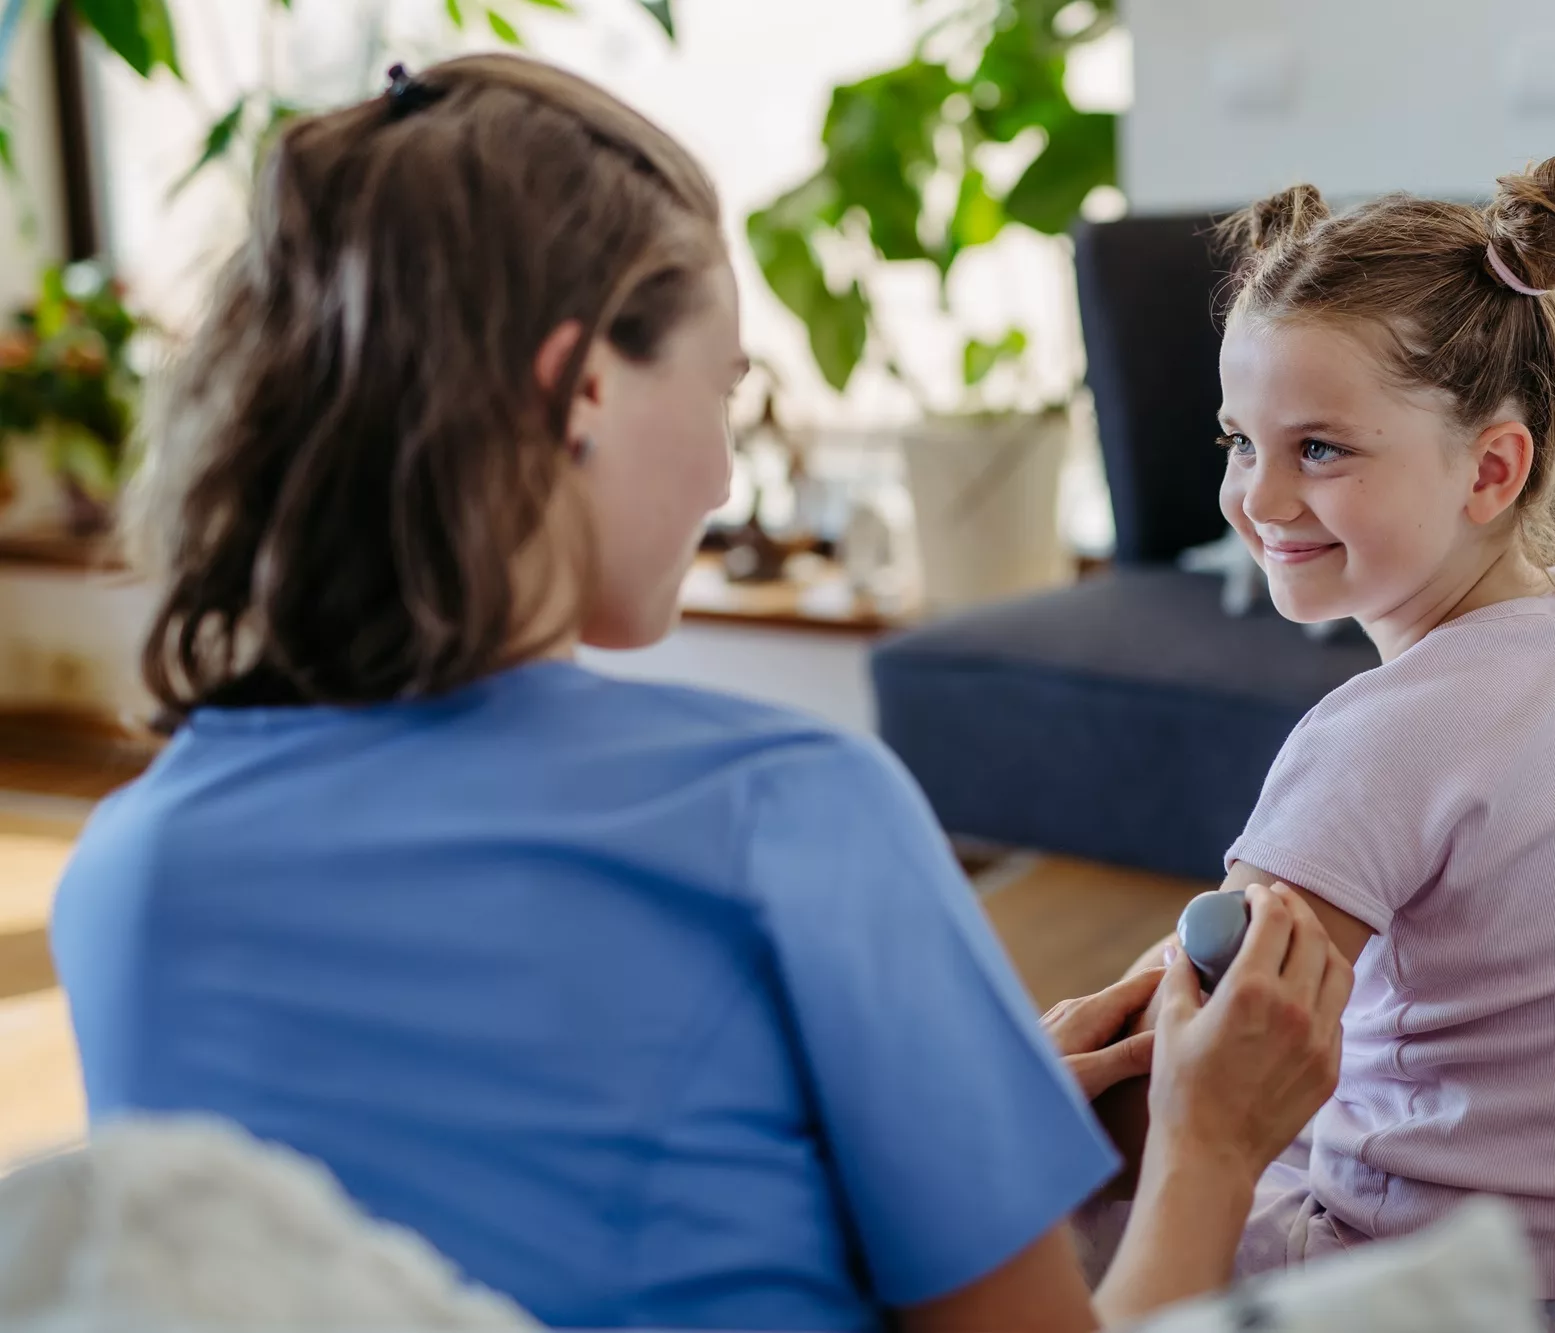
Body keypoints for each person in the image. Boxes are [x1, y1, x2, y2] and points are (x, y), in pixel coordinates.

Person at [48, 55, 1352, 1331]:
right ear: (583, 388)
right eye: (722, 388)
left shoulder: (127, 873)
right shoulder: (788, 812)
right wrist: (1211, 1146)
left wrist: (978, 1115)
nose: (727, 478)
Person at [1092, 157, 1555, 1333]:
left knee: (1053, 1207)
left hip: (1473, 1282)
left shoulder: (1373, 739)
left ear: (1491, 466)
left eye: (1319, 449)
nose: (1256, 497)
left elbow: (1224, 1041)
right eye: (1237, 440)